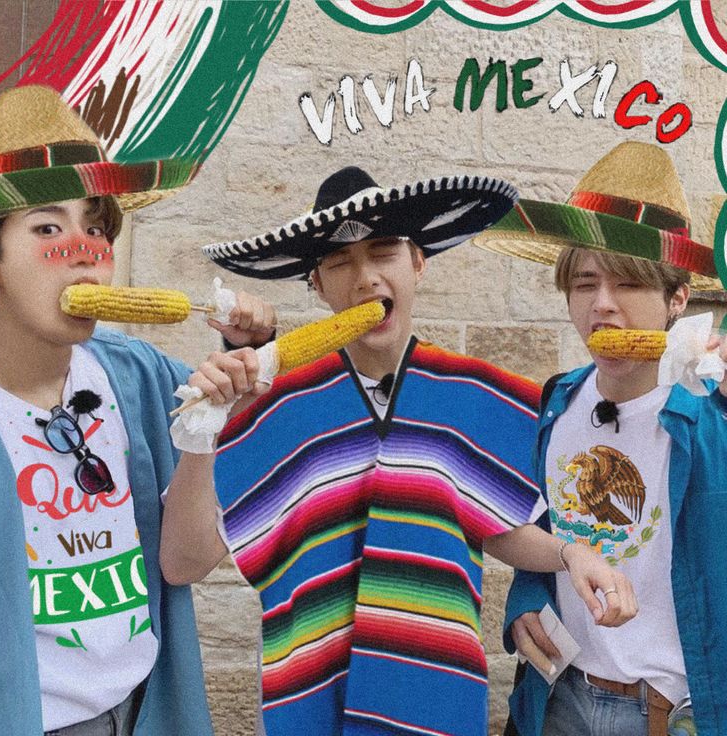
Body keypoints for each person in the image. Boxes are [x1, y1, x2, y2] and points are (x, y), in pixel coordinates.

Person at [161, 166, 637, 736]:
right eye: (339, 263)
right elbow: (182, 562)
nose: (364, 278)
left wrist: (569, 554)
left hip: (438, 701)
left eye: (383, 252)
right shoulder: (274, 404)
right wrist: (203, 433)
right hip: (312, 706)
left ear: (417, 261)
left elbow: (494, 522)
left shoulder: (477, 393)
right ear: (316, 283)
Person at [0, 84, 274, 735]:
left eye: (95, 228)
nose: (83, 250)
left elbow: (186, 564)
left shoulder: (140, 375)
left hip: (149, 710)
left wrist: (214, 412)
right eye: (47, 228)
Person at [475, 141, 727, 735]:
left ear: (677, 301)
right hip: (555, 699)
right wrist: (523, 607)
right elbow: (535, 532)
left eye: (629, 285)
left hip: (667, 710)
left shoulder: (713, 415)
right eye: (585, 283)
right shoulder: (555, 401)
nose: (604, 306)